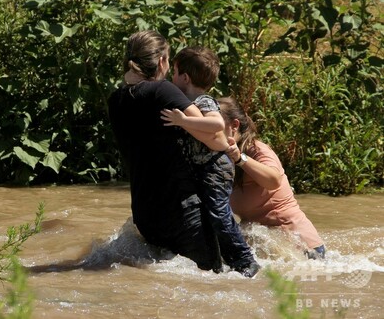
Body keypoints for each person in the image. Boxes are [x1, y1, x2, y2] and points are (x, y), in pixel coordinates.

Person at [108, 30, 229, 275]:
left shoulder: (115, 100)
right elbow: (217, 140)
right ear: (162, 61)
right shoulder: (162, 91)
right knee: (212, 279)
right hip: (182, 211)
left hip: (144, 214)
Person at [159, 46, 260, 277]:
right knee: (209, 213)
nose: (171, 79)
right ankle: (225, 260)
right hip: (206, 166)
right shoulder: (187, 100)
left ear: (185, 78)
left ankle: (246, 260)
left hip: (216, 165)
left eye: (174, 73)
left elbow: (215, 124)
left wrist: (182, 120)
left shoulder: (203, 101)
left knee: (218, 212)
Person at [217, 97, 326, 259]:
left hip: (302, 250)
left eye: (216, 122)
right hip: (269, 248)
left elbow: (273, 180)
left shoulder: (258, 151)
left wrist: (240, 159)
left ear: (234, 126)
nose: (212, 127)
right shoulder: (221, 156)